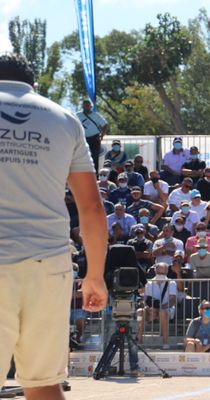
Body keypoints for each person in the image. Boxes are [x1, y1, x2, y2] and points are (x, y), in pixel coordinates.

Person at [0, 53, 108, 400]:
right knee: (43, 384)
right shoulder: (64, 119)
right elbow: (91, 207)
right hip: (48, 267)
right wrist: (94, 276)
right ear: (34, 85)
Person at [137, 262, 177, 349]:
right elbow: (143, 299)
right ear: (155, 271)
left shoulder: (171, 283)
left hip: (166, 309)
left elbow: (172, 300)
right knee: (140, 312)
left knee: (162, 312)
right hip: (151, 310)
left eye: (163, 273)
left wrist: (162, 307)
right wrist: (146, 307)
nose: (161, 275)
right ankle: (139, 340)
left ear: (167, 272)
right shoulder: (148, 283)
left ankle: (165, 342)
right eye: (159, 273)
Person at [76, 99, 108, 173]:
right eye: (85, 105)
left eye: (88, 105)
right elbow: (72, 124)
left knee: (94, 157)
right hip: (83, 138)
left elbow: (105, 125)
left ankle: (95, 174)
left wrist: (102, 136)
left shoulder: (95, 115)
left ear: (90, 106)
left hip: (94, 138)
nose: (86, 107)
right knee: (82, 157)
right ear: (82, 106)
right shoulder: (78, 115)